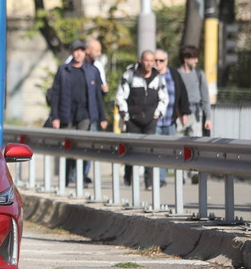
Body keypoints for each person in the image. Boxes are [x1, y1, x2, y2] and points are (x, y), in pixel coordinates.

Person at [52, 40, 107, 184]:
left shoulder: (92, 71)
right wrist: (55, 117)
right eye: (76, 51)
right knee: (68, 148)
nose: (79, 54)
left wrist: (102, 117)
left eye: (82, 51)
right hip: (67, 114)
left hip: (85, 115)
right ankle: (65, 178)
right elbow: (55, 94)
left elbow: (97, 96)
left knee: (82, 147)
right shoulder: (63, 71)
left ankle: (81, 177)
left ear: (85, 53)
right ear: (72, 52)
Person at [115, 50, 168, 190]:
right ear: (140, 60)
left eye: (152, 60)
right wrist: (125, 115)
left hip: (150, 120)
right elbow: (121, 96)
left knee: (149, 150)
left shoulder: (158, 78)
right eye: (147, 60)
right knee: (131, 149)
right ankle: (129, 178)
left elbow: (163, 98)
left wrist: (157, 114)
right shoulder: (130, 76)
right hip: (133, 120)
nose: (150, 63)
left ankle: (149, 181)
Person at [175, 45, 213, 182]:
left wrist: (208, 117)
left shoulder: (199, 74)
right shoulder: (176, 74)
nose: (196, 60)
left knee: (195, 145)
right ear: (186, 59)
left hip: (196, 114)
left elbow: (205, 97)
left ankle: (194, 172)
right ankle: (182, 174)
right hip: (180, 115)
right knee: (180, 145)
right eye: (194, 57)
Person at [153, 48, 191, 186]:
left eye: (161, 61)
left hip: (171, 120)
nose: (157, 63)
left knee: (175, 151)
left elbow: (182, 94)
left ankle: (179, 175)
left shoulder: (174, 74)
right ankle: (161, 179)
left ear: (166, 61)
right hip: (155, 122)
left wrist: (184, 113)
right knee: (159, 151)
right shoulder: (150, 75)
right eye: (155, 60)